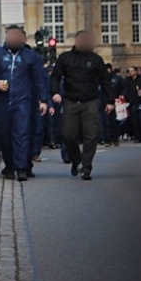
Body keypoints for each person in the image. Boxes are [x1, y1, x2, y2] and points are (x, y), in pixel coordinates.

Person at [0, 25, 49, 181]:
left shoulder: (30, 56)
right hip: (2, 101)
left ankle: (21, 168)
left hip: (23, 101)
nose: (13, 39)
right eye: (10, 36)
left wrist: (44, 100)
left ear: (21, 38)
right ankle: (10, 165)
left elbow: (39, 79)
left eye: (16, 36)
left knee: (21, 133)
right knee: (4, 136)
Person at [50, 30, 113, 180]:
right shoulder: (65, 58)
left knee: (91, 135)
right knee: (68, 134)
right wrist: (55, 92)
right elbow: (55, 77)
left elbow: (105, 81)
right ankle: (76, 159)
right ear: (77, 41)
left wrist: (110, 101)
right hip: (70, 101)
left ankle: (86, 168)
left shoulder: (96, 59)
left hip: (90, 101)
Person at [123, 67, 141, 143]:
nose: (130, 72)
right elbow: (126, 91)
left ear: (135, 71)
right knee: (134, 121)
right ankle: (138, 136)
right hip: (132, 102)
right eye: (129, 71)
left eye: (132, 71)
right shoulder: (128, 81)